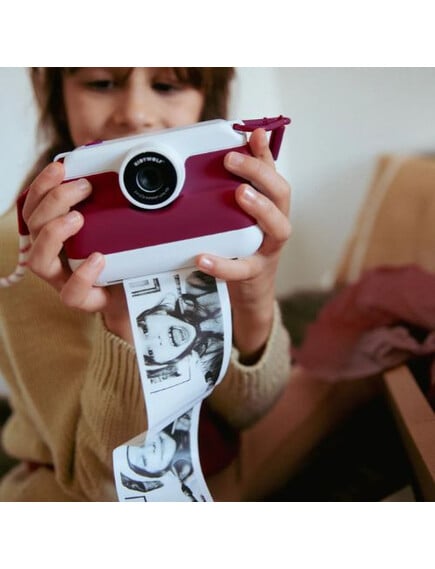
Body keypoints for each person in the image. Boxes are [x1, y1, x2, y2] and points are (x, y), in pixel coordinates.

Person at [0, 68, 292, 501]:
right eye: (101, 84)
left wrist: (256, 289)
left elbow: (247, 410)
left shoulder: (222, 219)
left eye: (167, 86)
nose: (136, 114)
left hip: (207, 472)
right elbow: (102, 487)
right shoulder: (26, 249)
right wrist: (125, 323)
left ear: (208, 98)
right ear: (57, 93)